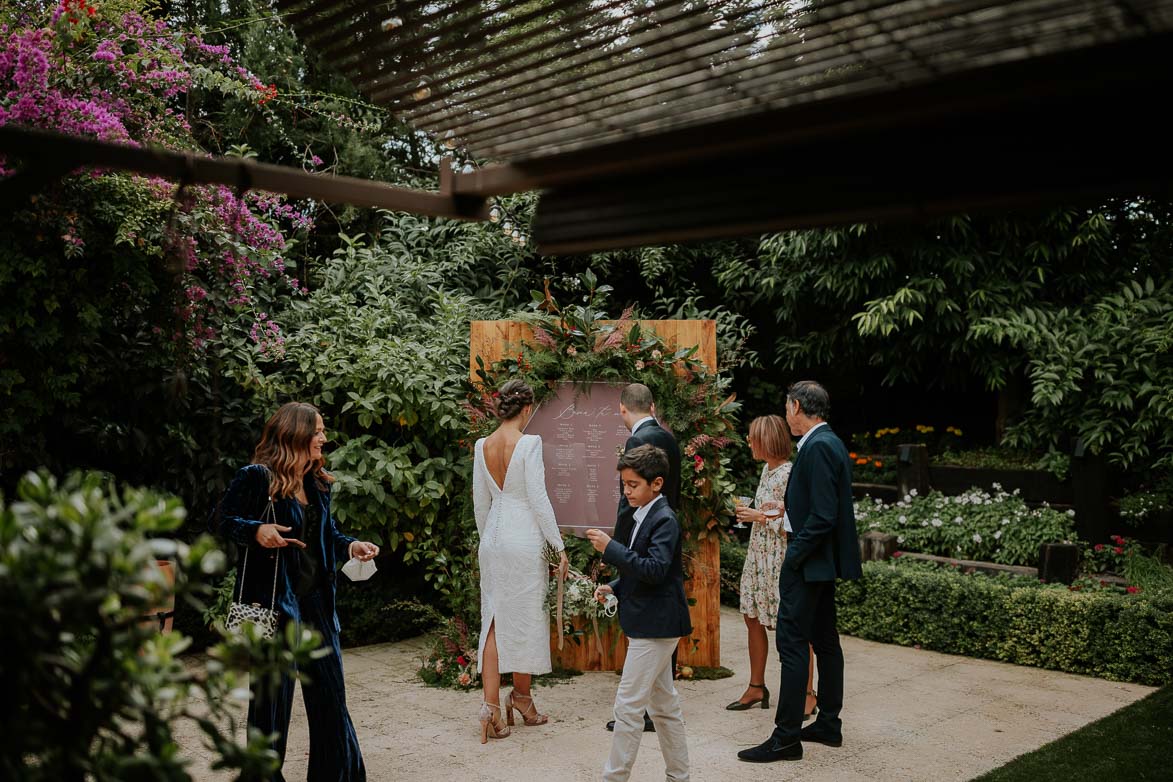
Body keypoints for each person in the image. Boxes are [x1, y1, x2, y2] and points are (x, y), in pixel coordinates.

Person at [214, 402, 379, 782]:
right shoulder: (258, 477)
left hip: (318, 606)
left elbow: (329, 537)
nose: (324, 438)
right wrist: (256, 530)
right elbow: (221, 519)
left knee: (331, 702)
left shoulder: (318, 482)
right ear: (296, 434)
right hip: (274, 609)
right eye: (318, 431)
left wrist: (351, 546)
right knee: (270, 709)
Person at [738, 381, 863, 764]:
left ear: (795, 406)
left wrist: (794, 557)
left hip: (808, 565)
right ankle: (827, 723)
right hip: (819, 564)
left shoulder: (820, 445)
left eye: (786, 407)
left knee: (792, 646)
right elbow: (817, 507)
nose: (786, 413)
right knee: (825, 641)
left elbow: (824, 516)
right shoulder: (826, 442)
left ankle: (786, 738)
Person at [587, 444, 692, 782]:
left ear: (657, 483)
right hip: (651, 620)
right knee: (664, 707)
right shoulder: (643, 514)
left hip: (656, 625)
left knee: (628, 707)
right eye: (624, 484)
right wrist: (615, 587)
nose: (626, 491)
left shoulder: (664, 519)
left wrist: (610, 549)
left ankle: (613, 779)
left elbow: (656, 569)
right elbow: (640, 570)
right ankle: (679, 776)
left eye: (633, 485)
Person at [473, 379, 570, 743]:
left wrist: (489, 543)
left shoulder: (482, 445)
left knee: (494, 619)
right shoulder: (529, 443)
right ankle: (523, 698)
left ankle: (491, 708)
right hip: (523, 536)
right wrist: (558, 546)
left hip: (493, 538)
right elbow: (538, 498)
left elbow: (480, 504)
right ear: (527, 408)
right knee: (527, 616)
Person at [727, 415, 816, 719]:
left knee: (793, 628)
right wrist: (753, 514)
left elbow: (797, 521)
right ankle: (756, 686)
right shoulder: (767, 470)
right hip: (758, 557)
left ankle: (807, 693)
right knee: (751, 618)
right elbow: (769, 510)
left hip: (780, 559)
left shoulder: (790, 474)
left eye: (753, 437)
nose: (749, 442)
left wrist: (759, 517)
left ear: (766, 441)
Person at [606, 382, 682, 733]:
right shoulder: (669, 437)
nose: (627, 488)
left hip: (646, 536)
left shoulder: (639, 442)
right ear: (652, 405)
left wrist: (616, 549)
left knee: (651, 618)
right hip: (666, 533)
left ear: (623, 409)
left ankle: (640, 713)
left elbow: (628, 506)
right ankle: (657, 708)